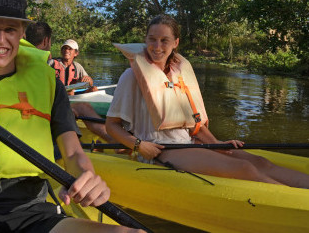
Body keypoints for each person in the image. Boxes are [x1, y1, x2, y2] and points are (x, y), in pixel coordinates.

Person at [0, 0, 143, 232]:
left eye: (10, 30)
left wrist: (87, 176)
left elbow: (72, 154)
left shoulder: (48, 82)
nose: (0, 40)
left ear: (22, 32)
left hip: (28, 209)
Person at [106, 14, 309, 188]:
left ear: (176, 43)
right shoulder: (131, 76)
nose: (157, 47)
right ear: (145, 39)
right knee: (245, 168)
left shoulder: (179, 74)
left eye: (164, 40)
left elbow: (193, 124)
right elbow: (112, 125)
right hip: (160, 150)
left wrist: (216, 144)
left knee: (260, 162)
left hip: (189, 143)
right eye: (152, 39)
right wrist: (139, 145)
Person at [25, 22, 119, 147]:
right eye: (64, 48)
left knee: (94, 89)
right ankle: (111, 141)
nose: (66, 51)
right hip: (50, 105)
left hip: (59, 100)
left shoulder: (76, 67)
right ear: (46, 41)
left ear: (76, 53)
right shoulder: (51, 63)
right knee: (83, 108)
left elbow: (89, 82)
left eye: (69, 49)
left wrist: (88, 79)